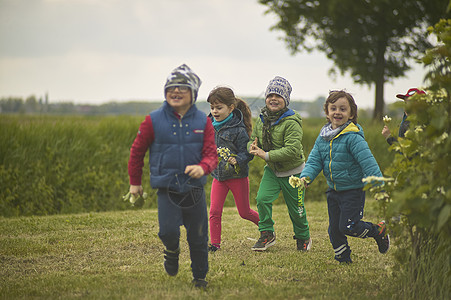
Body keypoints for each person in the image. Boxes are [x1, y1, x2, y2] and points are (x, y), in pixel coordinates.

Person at [127, 64, 217, 288]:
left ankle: (200, 277)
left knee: (198, 237)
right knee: (167, 232)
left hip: (194, 190)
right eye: (171, 88)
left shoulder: (203, 122)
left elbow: (211, 155)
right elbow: (137, 152)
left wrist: (203, 167)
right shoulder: (153, 120)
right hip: (166, 188)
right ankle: (172, 250)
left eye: (182, 88)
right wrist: (134, 183)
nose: (175, 92)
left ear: (193, 93)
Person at [299, 90, 390, 264]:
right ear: (327, 112)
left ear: (351, 113)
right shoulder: (323, 137)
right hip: (333, 190)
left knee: (349, 227)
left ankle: (379, 231)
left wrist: (380, 187)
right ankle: (343, 258)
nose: (337, 112)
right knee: (334, 230)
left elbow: (368, 163)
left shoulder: (353, 137)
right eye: (333, 108)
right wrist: (306, 177)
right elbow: (314, 160)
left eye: (343, 109)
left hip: (353, 190)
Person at [248, 76, 311, 252]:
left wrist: (265, 155)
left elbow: (291, 150)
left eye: (279, 95)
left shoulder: (292, 122)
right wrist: (252, 147)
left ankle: (303, 236)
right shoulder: (261, 119)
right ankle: (267, 233)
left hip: (294, 172)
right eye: (270, 95)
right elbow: (253, 140)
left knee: (297, 210)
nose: (273, 98)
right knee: (262, 199)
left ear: (286, 100)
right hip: (272, 171)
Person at [207, 86, 259, 252]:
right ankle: (215, 244)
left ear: (231, 108)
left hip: (237, 177)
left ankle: (267, 229)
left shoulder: (239, 129)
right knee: (214, 211)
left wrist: (237, 159)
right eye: (212, 107)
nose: (215, 111)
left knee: (244, 212)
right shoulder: (208, 125)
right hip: (219, 177)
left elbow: (248, 153)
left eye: (219, 107)